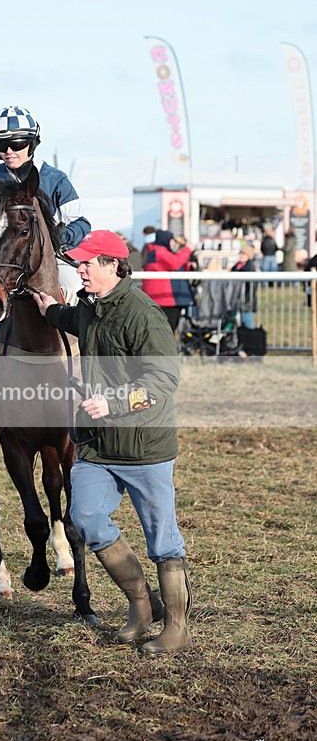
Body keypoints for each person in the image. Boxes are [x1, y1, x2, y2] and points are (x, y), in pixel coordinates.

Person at [31, 229, 192, 654]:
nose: (78, 269)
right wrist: (50, 311)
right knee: (84, 519)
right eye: (77, 263)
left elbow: (164, 378)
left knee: (163, 541)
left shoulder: (144, 315)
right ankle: (142, 606)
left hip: (145, 449)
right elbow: (71, 320)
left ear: (112, 266)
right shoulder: (89, 308)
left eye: (86, 263)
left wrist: (115, 401)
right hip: (98, 448)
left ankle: (177, 629)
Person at [0, 105, 91, 368]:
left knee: (79, 289)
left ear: (32, 143)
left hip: (52, 261)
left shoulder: (55, 179)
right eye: (0, 146)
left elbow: (81, 223)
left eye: (16, 143)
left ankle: (91, 352)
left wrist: (55, 242)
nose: (8, 151)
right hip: (4, 263)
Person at [141, 229, 195, 333]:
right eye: (172, 240)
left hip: (164, 298)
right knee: (167, 331)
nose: (174, 243)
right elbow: (174, 263)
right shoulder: (159, 251)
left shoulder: (154, 250)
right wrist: (188, 249)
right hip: (164, 299)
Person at [231, 245, 257, 328]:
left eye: (243, 253)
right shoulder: (235, 267)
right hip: (236, 301)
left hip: (247, 302)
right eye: (240, 253)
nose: (241, 255)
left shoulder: (250, 268)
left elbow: (252, 287)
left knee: (248, 324)